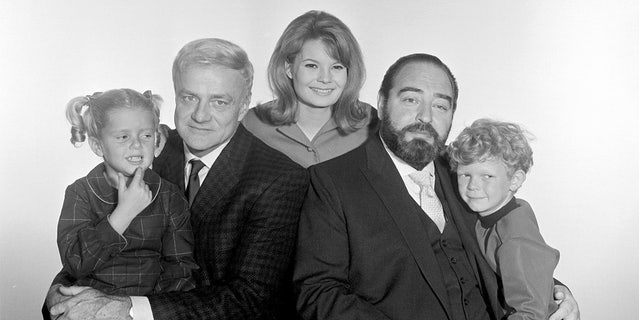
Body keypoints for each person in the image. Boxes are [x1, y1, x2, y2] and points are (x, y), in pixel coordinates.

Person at [293, 53, 580, 320]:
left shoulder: (465, 170)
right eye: (410, 100)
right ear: (381, 104)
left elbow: (510, 247)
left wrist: (556, 292)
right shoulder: (332, 182)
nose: (426, 117)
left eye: (440, 106)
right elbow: (318, 294)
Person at [46, 38, 309, 320]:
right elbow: (92, 240)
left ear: (243, 106)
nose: (200, 115)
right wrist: (61, 294)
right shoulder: (146, 149)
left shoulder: (279, 180)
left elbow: (249, 297)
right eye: (189, 97)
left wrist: (131, 310)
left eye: (219, 102)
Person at [58, 89, 197, 297]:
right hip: (90, 308)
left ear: (156, 140)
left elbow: (180, 269)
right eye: (123, 136)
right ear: (97, 146)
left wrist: (142, 310)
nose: (137, 144)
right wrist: (122, 215)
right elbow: (75, 263)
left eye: (146, 135)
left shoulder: (169, 196)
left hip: (149, 309)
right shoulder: (81, 194)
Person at [448, 119, 560, 319]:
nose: (473, 185)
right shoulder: (499, 212)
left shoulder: (515, 240)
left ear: (515, 180)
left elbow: (530, 313)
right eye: (465, 174)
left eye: (487, 176)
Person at [242, 10, 378, 168]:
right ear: (289, 68)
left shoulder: (371, 123)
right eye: (312, 66)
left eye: (337, 67)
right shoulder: (252, 124)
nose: (325, 78)